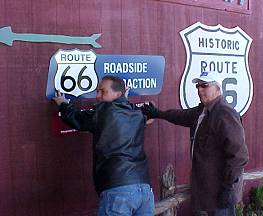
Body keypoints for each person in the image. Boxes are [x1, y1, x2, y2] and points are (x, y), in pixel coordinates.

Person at [141, 71, 249, 216]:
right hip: (209, 189)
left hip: (221, 190)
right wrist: (158, 113)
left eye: (204, 85)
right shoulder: (203, 111)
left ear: (218, 88)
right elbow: (181, 116)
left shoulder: (224, 113)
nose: (199, 89)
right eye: (197, 86)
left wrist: (228, 187)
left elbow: (239, 155)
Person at [53, 75, 154, 216]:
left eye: (103, 91)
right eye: (97, 91)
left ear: (118, 94)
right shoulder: (136, 113)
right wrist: (123, 99)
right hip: (144, 190)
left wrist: (63, 103)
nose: (98, 96)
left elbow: (76, 118)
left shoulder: (103, 112)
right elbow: (143, 116)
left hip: (118, 190)